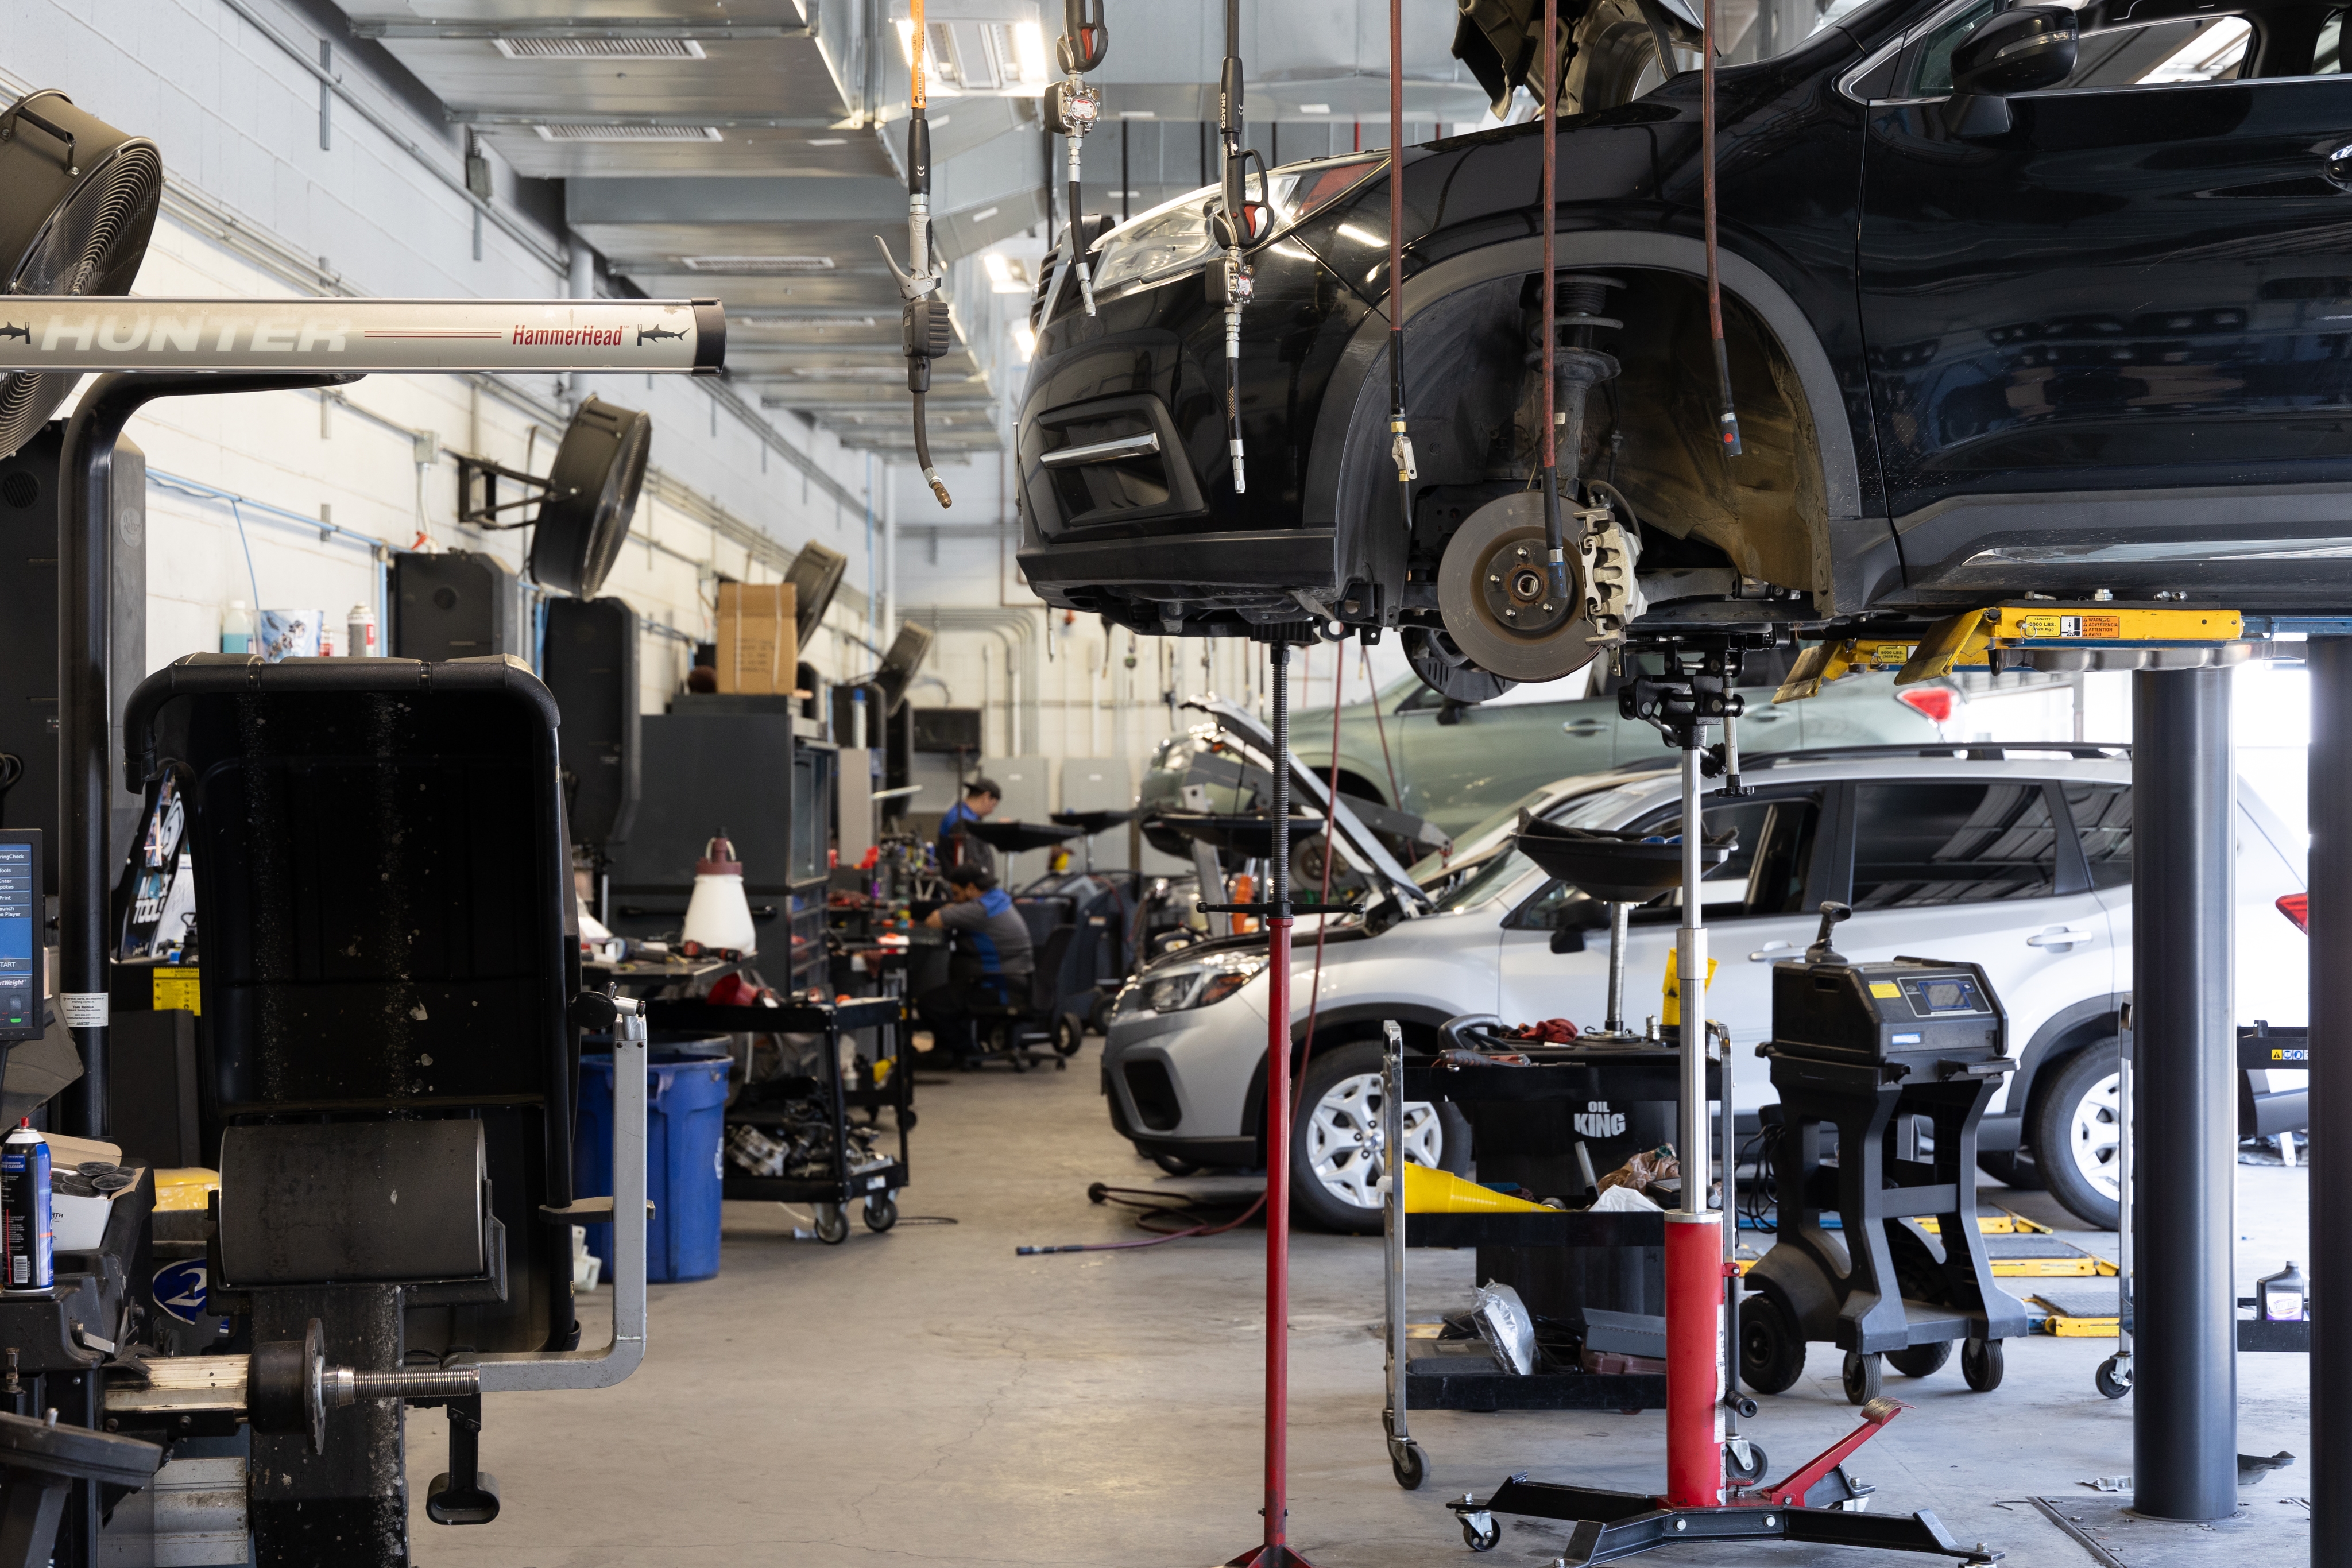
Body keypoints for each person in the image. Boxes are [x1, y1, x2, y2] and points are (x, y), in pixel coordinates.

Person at [915, 866, 1034, 1060]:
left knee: (930, 1004)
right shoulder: (998, 899)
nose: (955, 899)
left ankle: (966, 1051)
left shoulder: (980, 909)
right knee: (952, 991)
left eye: (957, 894)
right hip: (1013, 981)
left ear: (971, 888)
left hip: (998, 986)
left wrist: (949, 909)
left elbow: (933, 921)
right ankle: (950, 1052)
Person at [935, 777, 1001, 879]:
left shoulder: (961, 816)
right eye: (993, 805)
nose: (991, 811)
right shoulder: (963, 822)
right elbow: (970, 863)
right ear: (986, 797)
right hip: (969, 890)